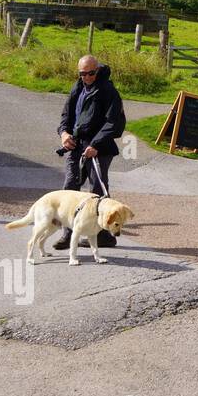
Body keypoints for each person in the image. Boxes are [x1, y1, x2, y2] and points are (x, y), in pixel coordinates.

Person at [54, 54, 125, 249]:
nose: (86, 77)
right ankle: (67, 234)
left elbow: (114, 123)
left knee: (96, 192)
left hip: (100, 149)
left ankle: (103, 235)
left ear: (97, 70)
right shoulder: (77, 87)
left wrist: (96, 145)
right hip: (76, 145)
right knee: (69, 188)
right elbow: (66, 115)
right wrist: (64, 133)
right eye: (82, 74)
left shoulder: (108, 91)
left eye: (90, 73)